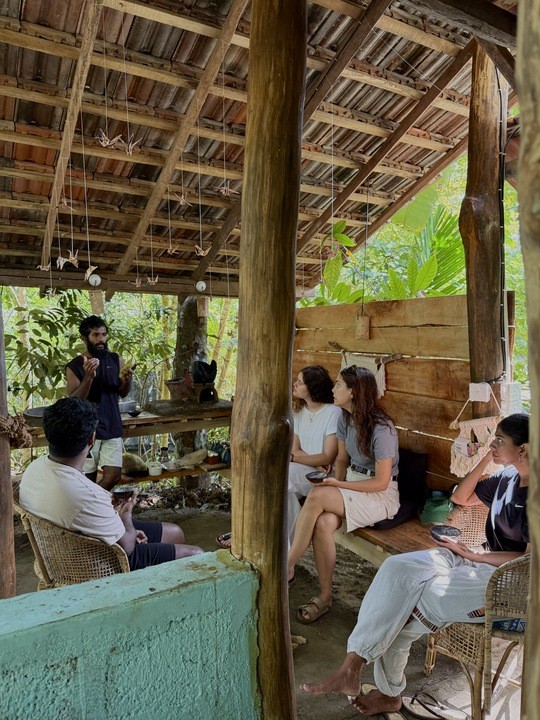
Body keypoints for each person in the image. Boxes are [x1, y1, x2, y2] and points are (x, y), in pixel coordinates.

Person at [300, 413, 529, 717]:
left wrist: (476, 557)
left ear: (523, 450)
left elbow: (529, 560)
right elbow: (461, 496)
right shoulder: (507, 478)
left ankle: (387, 691)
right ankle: (352, 666)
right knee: (397, 571)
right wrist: (489, 456)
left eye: (499, 440)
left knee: (409, 605)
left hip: (513, 581)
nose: (493, 444)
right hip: (476, 557)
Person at [19, 397, 203, 571]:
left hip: (70, 548)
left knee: (174, 533)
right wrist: (126, 516)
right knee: (197, 554)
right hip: (101, 563)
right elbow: (127, 546)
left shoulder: (34, 469)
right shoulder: (87, 494)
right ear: (92, 438)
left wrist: (117, 523)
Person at [288, 365, 399, 624]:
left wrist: (336, 486)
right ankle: (325, 597)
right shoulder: (344, 418)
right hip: (351, 483)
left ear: (353, 391)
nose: (332, 388)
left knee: (316, 497)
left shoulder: (382, 428)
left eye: (338, 384)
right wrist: (335, 481)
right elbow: (340, 460)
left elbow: (382, 483)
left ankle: (288, 566)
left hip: (379, 496)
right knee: (323, 523)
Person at [215, 365, 340, 549]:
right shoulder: (299, 413)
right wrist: (306, 460)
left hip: (324, 478)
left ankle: (253, 535)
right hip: (306, 471)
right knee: (281, 488)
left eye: (300, 382)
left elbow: (327, 456)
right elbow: (296, 450)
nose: (295, 385)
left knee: (280, 475)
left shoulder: (332, 412)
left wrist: (296, 459)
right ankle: (283, 551)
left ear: (313, 387)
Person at [66, 315, 133, 490]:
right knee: (87, 480)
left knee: (113, 476)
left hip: (112, 426)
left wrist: (126, 381)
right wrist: (88, 377)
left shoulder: (115, 360)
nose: (101, 339)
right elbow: (74, 402)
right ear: (84, 338)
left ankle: (93, 505)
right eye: (96, 335)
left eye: (103, 334)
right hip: (88, 430)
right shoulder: (74, 366)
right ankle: (91, 510)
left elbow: (122, 394)